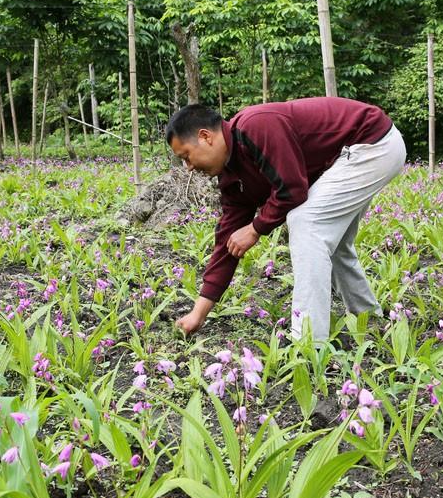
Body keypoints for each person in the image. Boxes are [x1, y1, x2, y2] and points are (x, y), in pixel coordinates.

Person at [166, 97, 406, 341]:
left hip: (371, 143)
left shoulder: (256, 126)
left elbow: (292, 190)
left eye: (186, 156)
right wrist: (198, 313)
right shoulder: (232, 178)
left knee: (306, 222)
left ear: (206, 137)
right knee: (333, 244)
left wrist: (255, 228)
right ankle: (369, 319)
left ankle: (308, 344)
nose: (188, 167)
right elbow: (228, 243)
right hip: (355, 153)